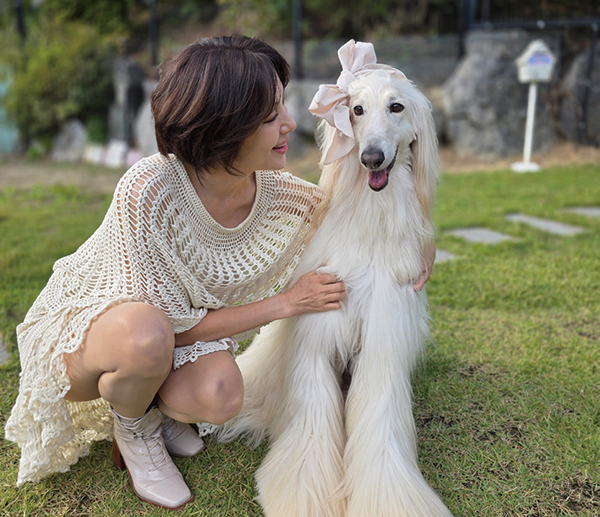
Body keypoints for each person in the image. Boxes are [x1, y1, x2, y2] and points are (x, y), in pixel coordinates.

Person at [5, 35, 433, 510]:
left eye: (282, 108)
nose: (290, 123)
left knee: (222, 395)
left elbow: (351, 217)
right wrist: (287, 303)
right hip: (92, 333)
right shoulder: (148, 188)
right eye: (270, 117)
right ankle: (134, 427)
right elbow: (172, 327)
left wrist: (420, 243)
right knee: (146, 337)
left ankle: (154, 404)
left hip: (172, 335)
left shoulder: (280, 195)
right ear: (224, 128)